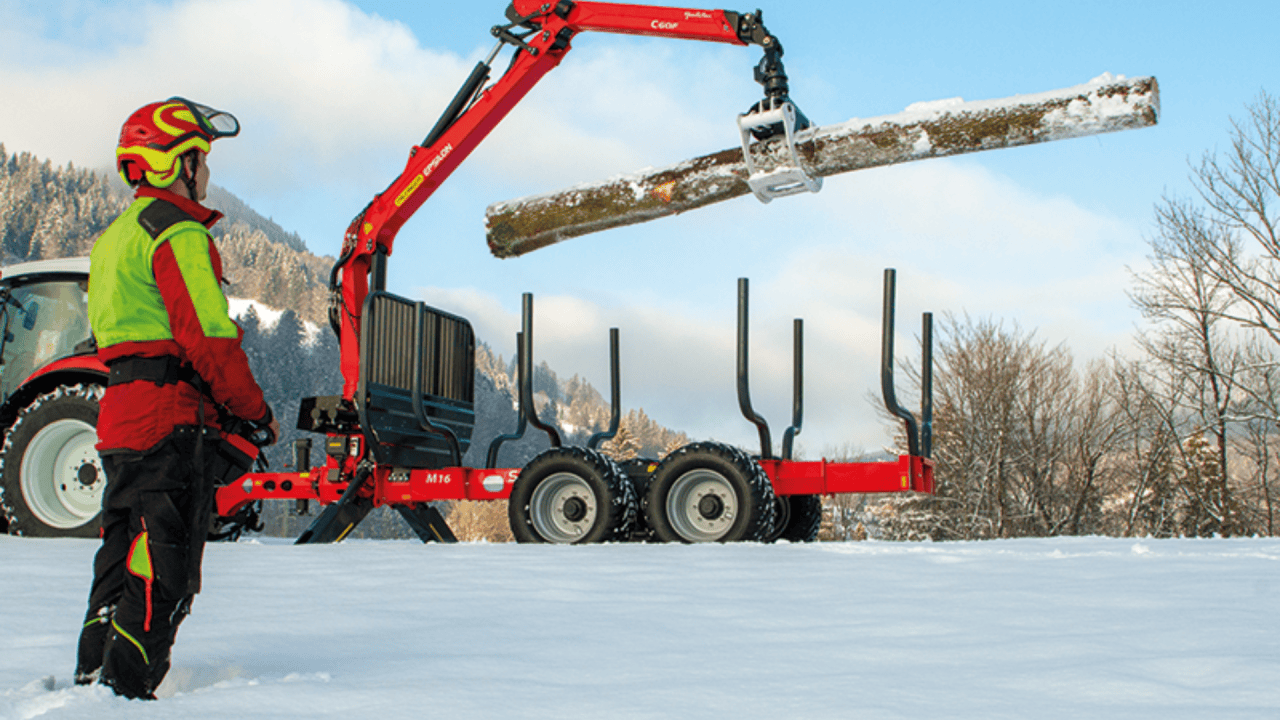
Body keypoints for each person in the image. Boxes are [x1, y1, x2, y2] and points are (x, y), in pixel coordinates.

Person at [75, 97, 280, 700]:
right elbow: (208, 335)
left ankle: (92, 676)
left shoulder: (113, 239)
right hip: (167, 416)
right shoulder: (177, 230)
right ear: (174, 165)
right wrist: (253, 409)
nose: (208, 175)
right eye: (202, 161)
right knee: (164, 565)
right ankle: (124, 692)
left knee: (120, 551)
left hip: (118, 415)